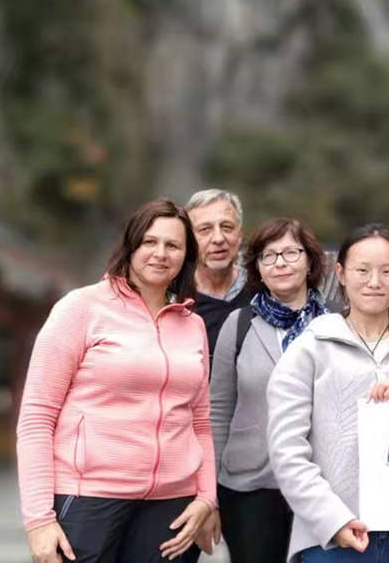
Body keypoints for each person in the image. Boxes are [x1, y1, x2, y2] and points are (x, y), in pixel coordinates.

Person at [17, 199, 216, 563]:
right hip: (88, 499)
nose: (160, 254)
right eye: (149, 242)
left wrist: (206, 497)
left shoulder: (193, 325)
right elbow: (36, 418)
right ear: (130, 246)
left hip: (171, 506)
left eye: (173, 245)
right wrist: (38, 520)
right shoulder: (81, 308)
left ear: (186, 256)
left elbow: (200, 421)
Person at [267, 223, 389, 563]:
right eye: (362, 270)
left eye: (387, 271)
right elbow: (287, 450)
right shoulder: (308, 349)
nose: (374, 282)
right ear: (340, 273)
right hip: (330, 540)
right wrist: (332, 520)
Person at [207, 217, 329, 563]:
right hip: (249, 488)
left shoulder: (334, 325)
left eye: (291, 252)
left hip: (318, 485)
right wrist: (209, 492)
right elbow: (218, 409)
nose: (280, 262)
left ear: (310, 262)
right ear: (257, 269)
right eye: (269, 255)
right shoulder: (239, 323)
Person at [186, 189, 251, 357]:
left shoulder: (263, 290)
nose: (218, 238)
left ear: (240, 236)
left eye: (227, 227)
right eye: (205, 230)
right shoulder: (175, 297)